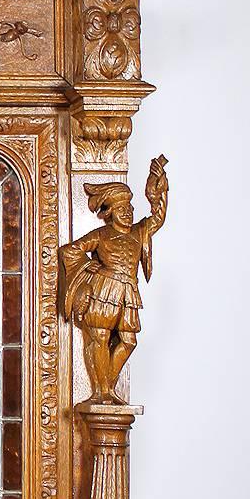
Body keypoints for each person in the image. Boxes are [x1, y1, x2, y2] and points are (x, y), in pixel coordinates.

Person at [59, 155, 169, 402]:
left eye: (129, 209)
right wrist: (90, 267)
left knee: (128, 341)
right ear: (109, 213)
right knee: (99, 337)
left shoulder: (139, 232)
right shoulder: (101, 234)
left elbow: (158, 217)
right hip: (104, 290)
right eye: (122, 210)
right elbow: (71, 250)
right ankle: (102, 392)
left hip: (128, 291)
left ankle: (107, 385)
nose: (128, 213)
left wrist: (158, 190)